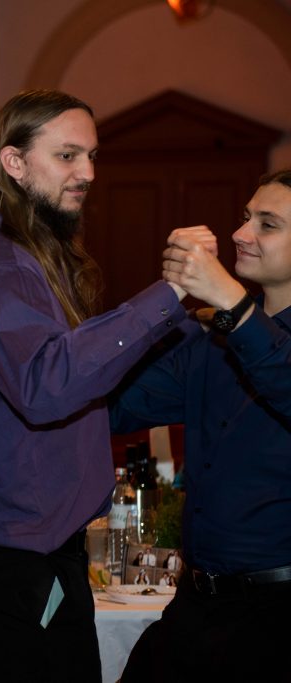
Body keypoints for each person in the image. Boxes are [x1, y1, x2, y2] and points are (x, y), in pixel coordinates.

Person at [0, 89, 187, 682]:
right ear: (14, 163)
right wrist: (168, 294)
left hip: (24, 553)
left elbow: (77, 388)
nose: (87, 173)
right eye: (67, 156)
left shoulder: (23, 257)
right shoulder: (1, 267)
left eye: (92, 156)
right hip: (18, 559)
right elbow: (49, 384)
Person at [113, 170, 291, 682]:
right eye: (245, 217)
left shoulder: (232, 323)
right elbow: (111, 407)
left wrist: (233, 303)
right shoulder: (209, 339)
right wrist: (163, 299)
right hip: (194, 608)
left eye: (267, 224)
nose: (239, 234)